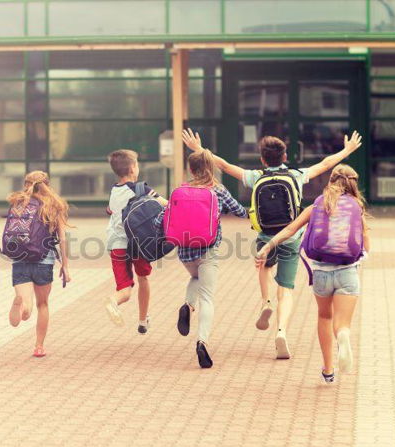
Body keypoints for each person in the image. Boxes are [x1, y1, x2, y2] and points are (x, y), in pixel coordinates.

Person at [181, 128, 362, 360]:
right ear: (285, 157)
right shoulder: (296, 175)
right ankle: (281, 331)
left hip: (266, 235)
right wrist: (346, 150)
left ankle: (265, 302)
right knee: (286, 289)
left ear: (263, 159)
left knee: (264, 266)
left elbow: (224, 166)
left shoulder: (256, 176)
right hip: (291, 237)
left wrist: (200, 149)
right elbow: (325, 165)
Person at [256, 165, 370, 384]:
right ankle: (343, 335)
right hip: (347, 272)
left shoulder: (317, 205)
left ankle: (328, 370)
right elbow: (366, 245)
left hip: (321, 275)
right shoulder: (356, 207)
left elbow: (290, 230)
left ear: (331, 181)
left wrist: (267, 247)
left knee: (324, 316)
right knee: (341, 323)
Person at [156, 149, 247, 369]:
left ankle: (188, 304)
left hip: (184, 250)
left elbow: (162, 219)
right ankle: (202, 341)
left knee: (196, 278)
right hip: (208, 249)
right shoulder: (218, 190)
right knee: (207, 296)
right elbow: (240, 211)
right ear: (212, 167)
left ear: (190, 168)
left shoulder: (180, 190)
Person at [7, 171, 72, 357]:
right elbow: (62, 238)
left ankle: (21, 305)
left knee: (27, 303)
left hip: (20, 258)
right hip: (44, 260)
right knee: (42, 304)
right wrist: (65, 266)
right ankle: (39, 346)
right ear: (47, 185)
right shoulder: (53, 206)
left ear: (26, 184)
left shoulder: (19, 203)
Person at [103, 149, 167, 333]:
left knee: (125, 289)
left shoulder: (114, 191)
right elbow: (166, 204)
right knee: (143, 278)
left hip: (116, 245)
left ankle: (114, 300)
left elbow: (110, 211)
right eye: (137, 164)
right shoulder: (141, 189)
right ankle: (142, 320)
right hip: (138, 243)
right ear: (132, 168)